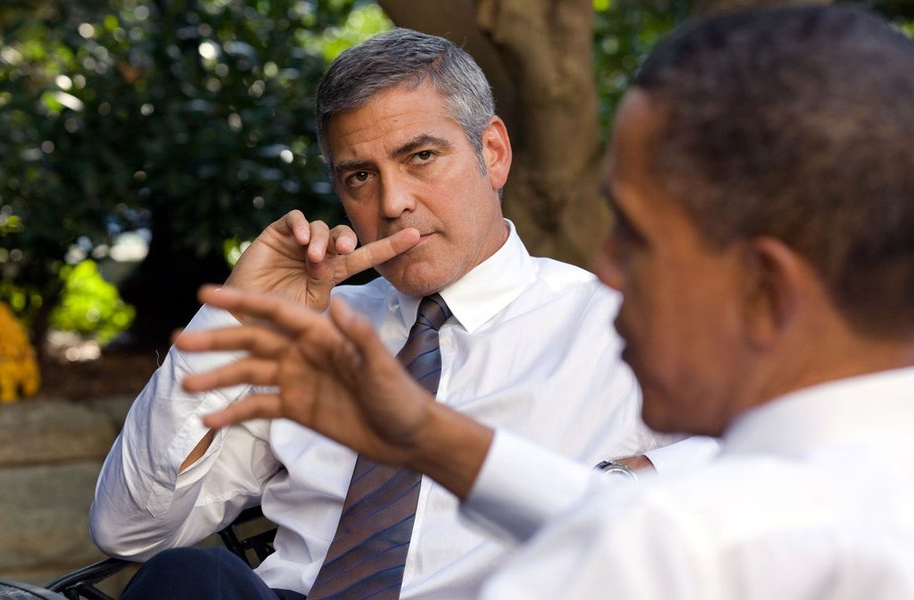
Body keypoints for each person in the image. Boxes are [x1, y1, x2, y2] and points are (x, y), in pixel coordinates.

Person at [174, 5, 914, 598]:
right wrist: (431, 439)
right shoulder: (839, 494)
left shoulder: (678, 547)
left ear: (765, 288)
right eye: (358, 176)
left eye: (634, 237)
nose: (605, 272)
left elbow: (648, 536)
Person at [90, 27, 712, 599]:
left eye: (420, 157)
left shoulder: (617, 326)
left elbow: (788, 472)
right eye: (360, 176)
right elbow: (129, 532)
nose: (392, 203)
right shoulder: (317, 329)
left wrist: (627, 482)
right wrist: (232, 323)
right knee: (188, 578)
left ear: (492, 153)